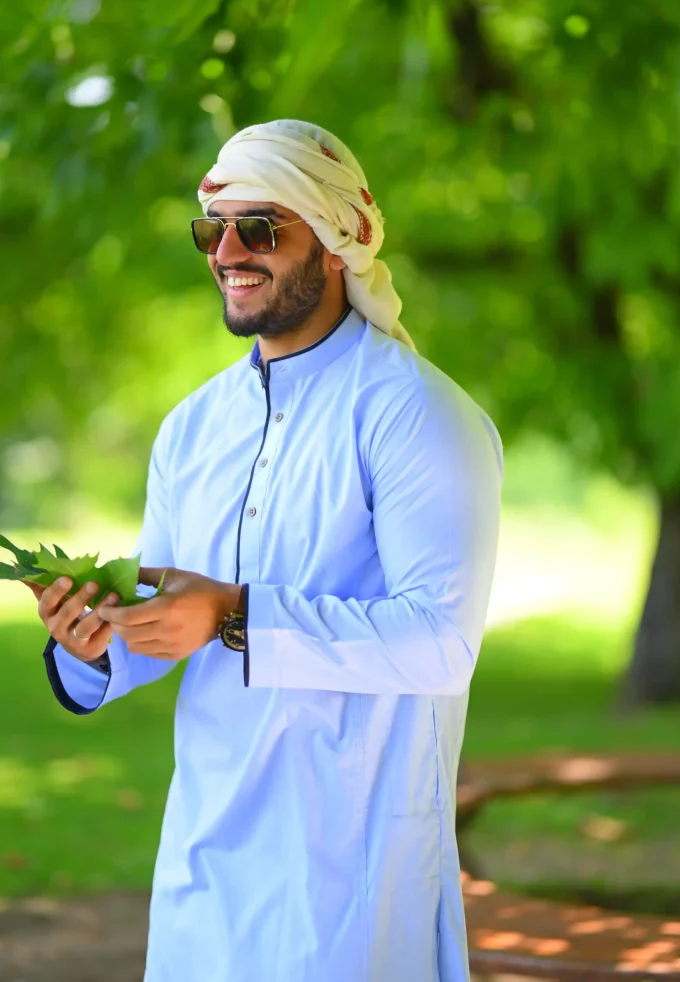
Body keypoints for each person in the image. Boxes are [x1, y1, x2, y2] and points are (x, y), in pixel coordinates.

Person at [29, 119, 503, 982]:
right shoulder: (193, 426)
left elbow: (442, 643)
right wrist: (91, 642)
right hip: (205, 856)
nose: (229, 251)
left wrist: (234, 612)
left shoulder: (415, 413)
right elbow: (170, 620)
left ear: (334, 242)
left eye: (262, 228)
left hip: (349, 865)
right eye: (214, 229)